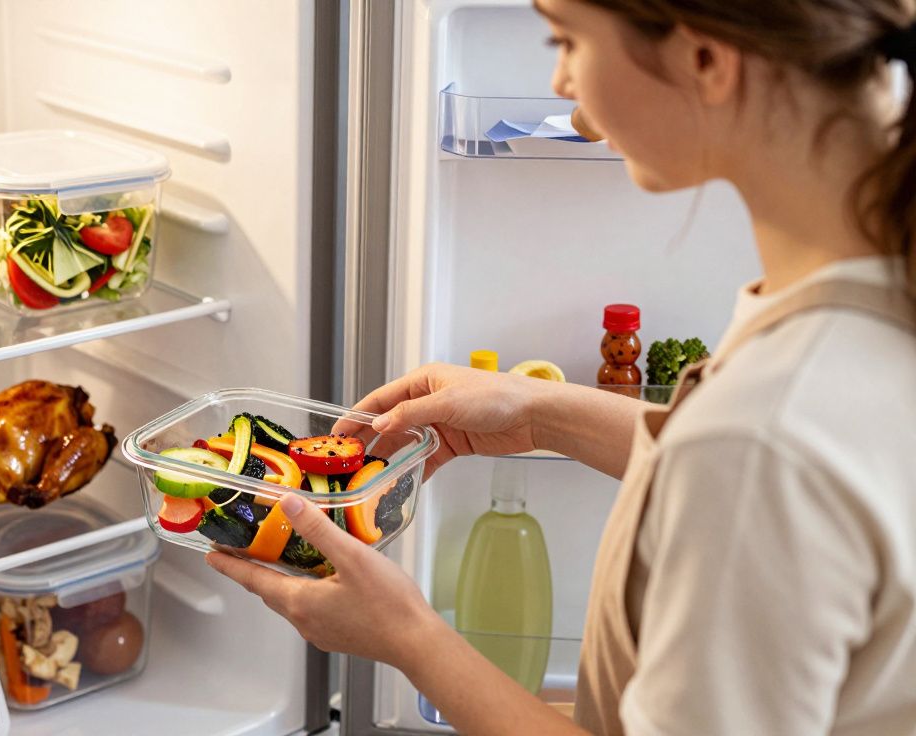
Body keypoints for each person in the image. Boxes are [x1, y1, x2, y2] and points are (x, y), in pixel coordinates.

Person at [206, 1, 916, 733]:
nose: (562, 86)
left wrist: (407, 637)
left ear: (706, 60)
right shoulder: (865, 298)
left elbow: (752, 459)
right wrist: (541, 411)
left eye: (569, 42)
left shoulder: (760, 432)